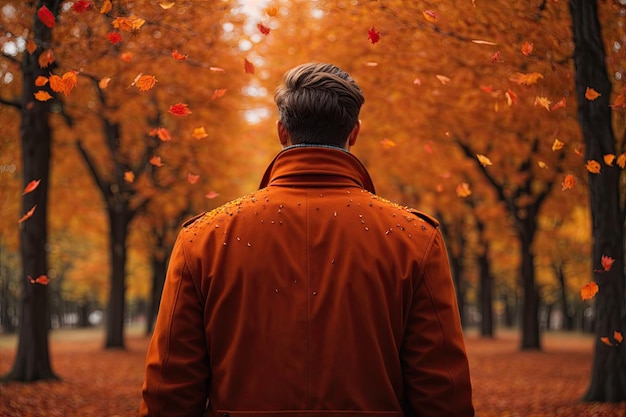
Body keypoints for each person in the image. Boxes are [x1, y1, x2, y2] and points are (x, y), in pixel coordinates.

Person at [139, 62, 474, 417]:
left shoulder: (203, 239)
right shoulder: (415, 238)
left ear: (282, 131)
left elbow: (169, 393)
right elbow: (442, 394)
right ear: (354, 132)